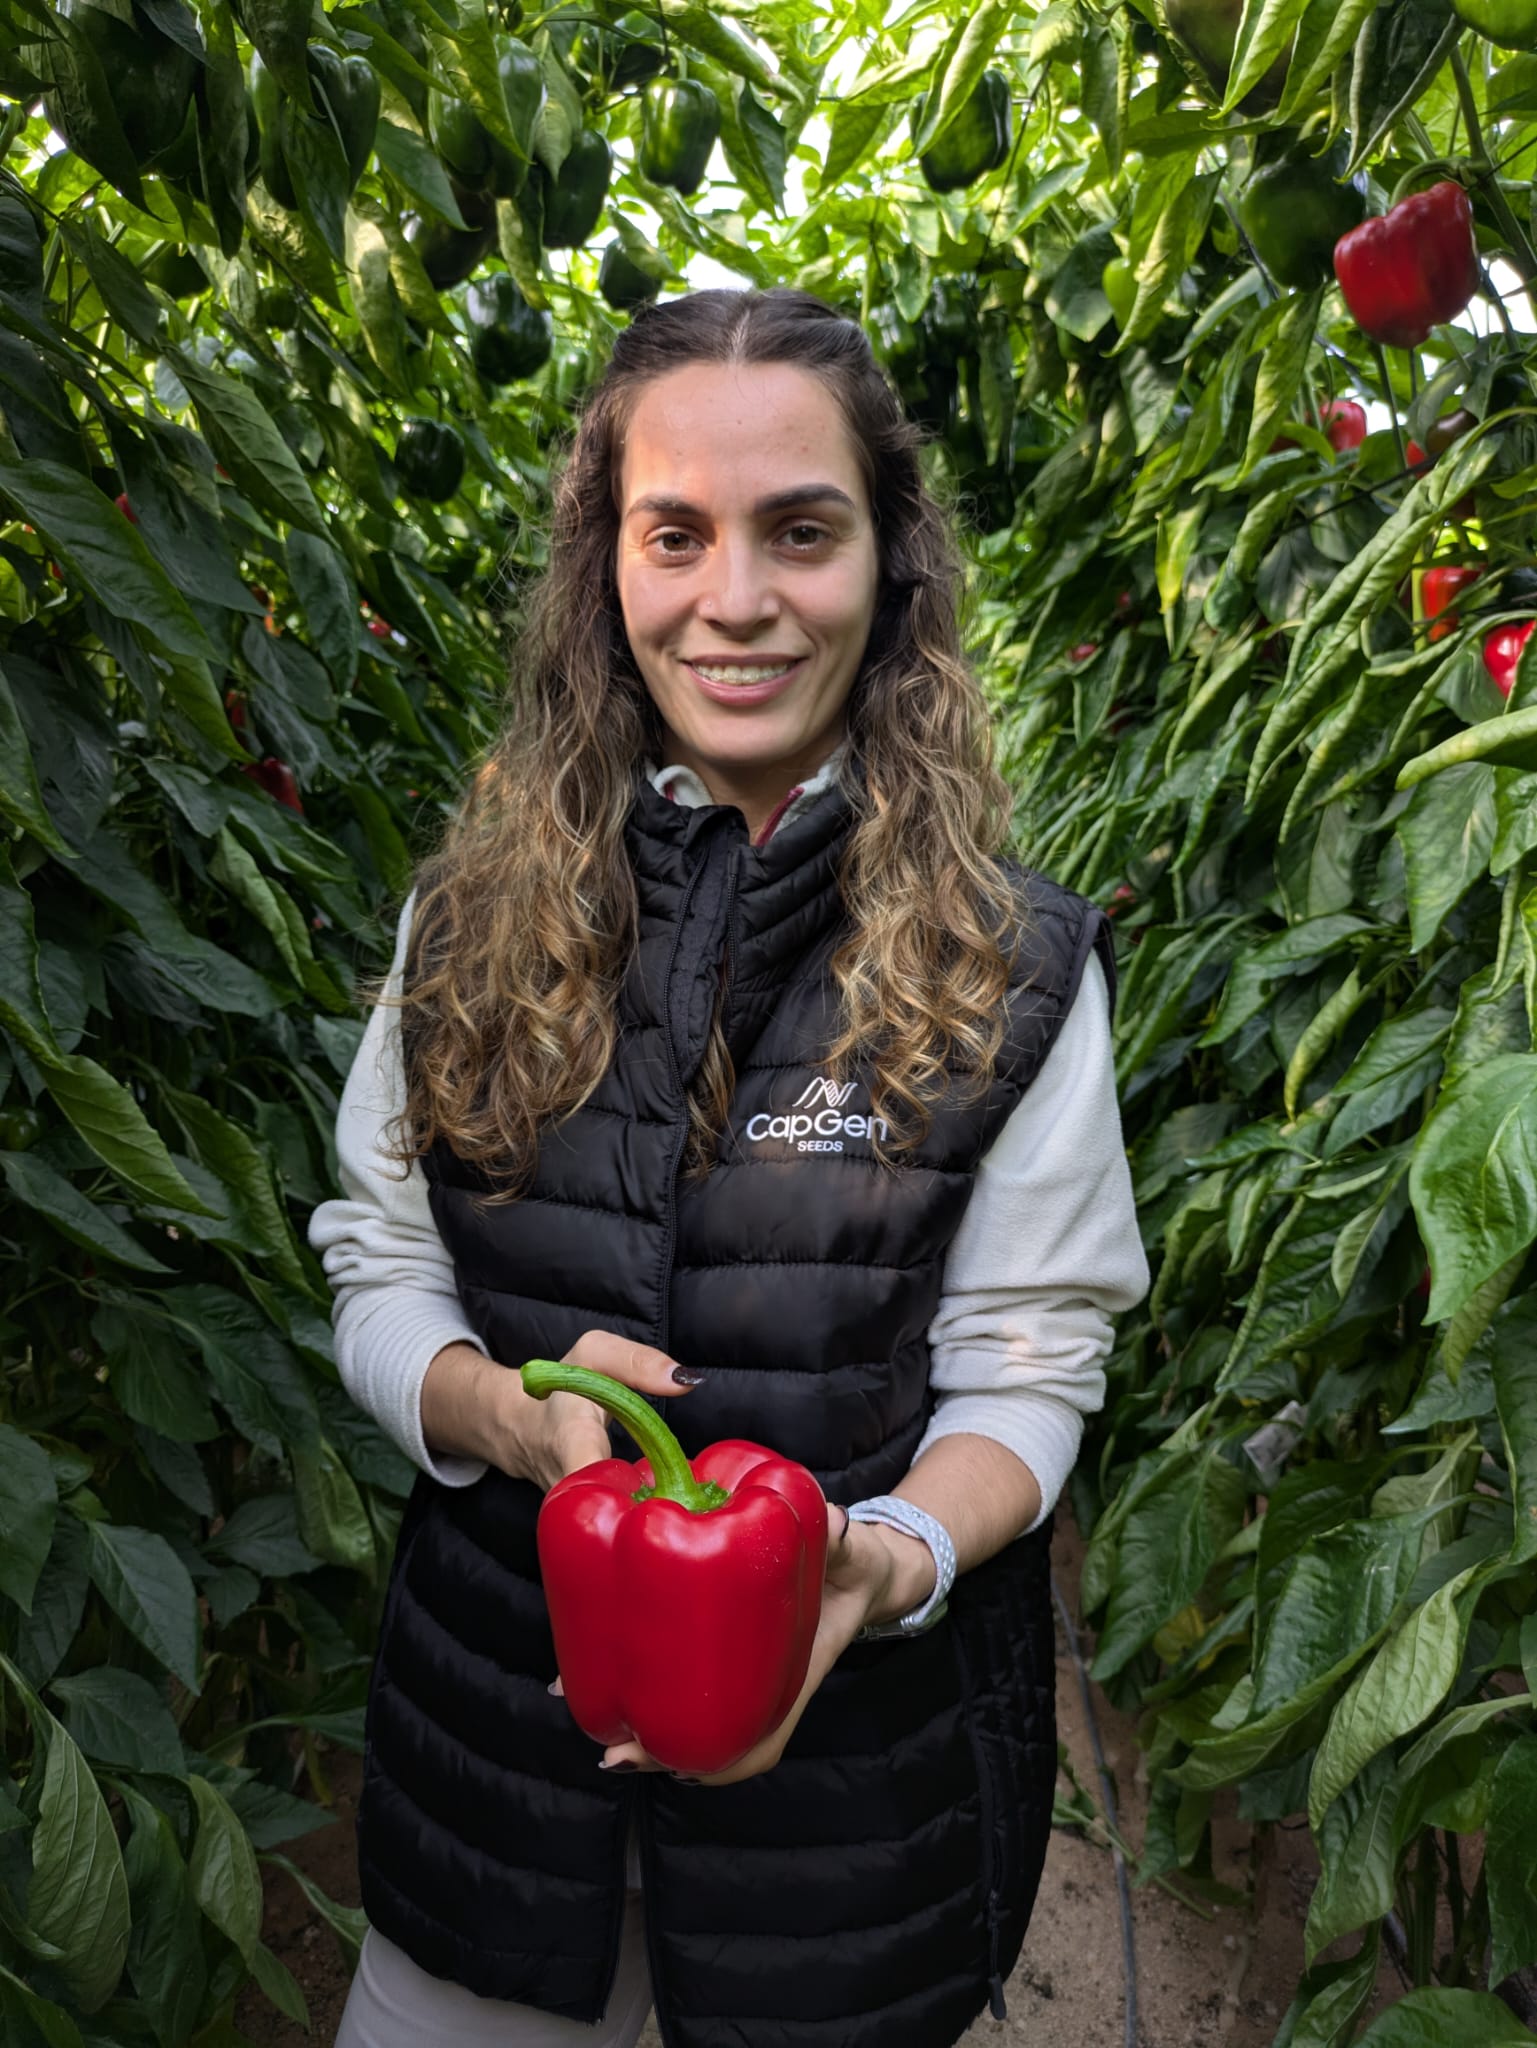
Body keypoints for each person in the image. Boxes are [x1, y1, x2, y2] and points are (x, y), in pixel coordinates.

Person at [309, 285, 1150, 2048]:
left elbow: (1029, 1368)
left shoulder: (1010, 964)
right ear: (604, 567)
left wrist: (887, 1555)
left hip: (850, 1834)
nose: (738, 599)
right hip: (495, 1778)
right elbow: (380, 1267)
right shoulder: (465, 924)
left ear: (889, 563)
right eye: (675, 533)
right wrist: (500, 1415)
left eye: (802, 532)